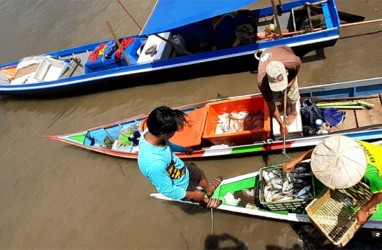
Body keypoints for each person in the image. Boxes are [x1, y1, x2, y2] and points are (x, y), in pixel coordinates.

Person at [282, 135, 382, 226]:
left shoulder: (370, 175)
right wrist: (295, 161)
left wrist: (364, 210)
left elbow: (380, 194)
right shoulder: (343, 145)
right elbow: (319, 151)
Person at [138, 106, 223, 208]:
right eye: (173, 131)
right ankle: (205, 201)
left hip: (180, 167)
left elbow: (168, 144)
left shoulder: (151, 132)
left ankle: (209, 190)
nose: (175, 132)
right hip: (179, 185)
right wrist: (192, 195)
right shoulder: (153, 164)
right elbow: (167, 190)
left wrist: (183, 149)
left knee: (199, 173)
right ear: (162, 133)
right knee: (198, 195)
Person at [257, 45, 301, 137]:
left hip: (283, 51)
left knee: (292, 91)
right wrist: (281, 124)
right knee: (276, 96)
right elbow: (271, 103)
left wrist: (290, 82)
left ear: (286, 71)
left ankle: (293, 112)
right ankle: (282, 101)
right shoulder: (262, 82)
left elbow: (296, 70)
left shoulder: (293, 61)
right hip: (267, 55)